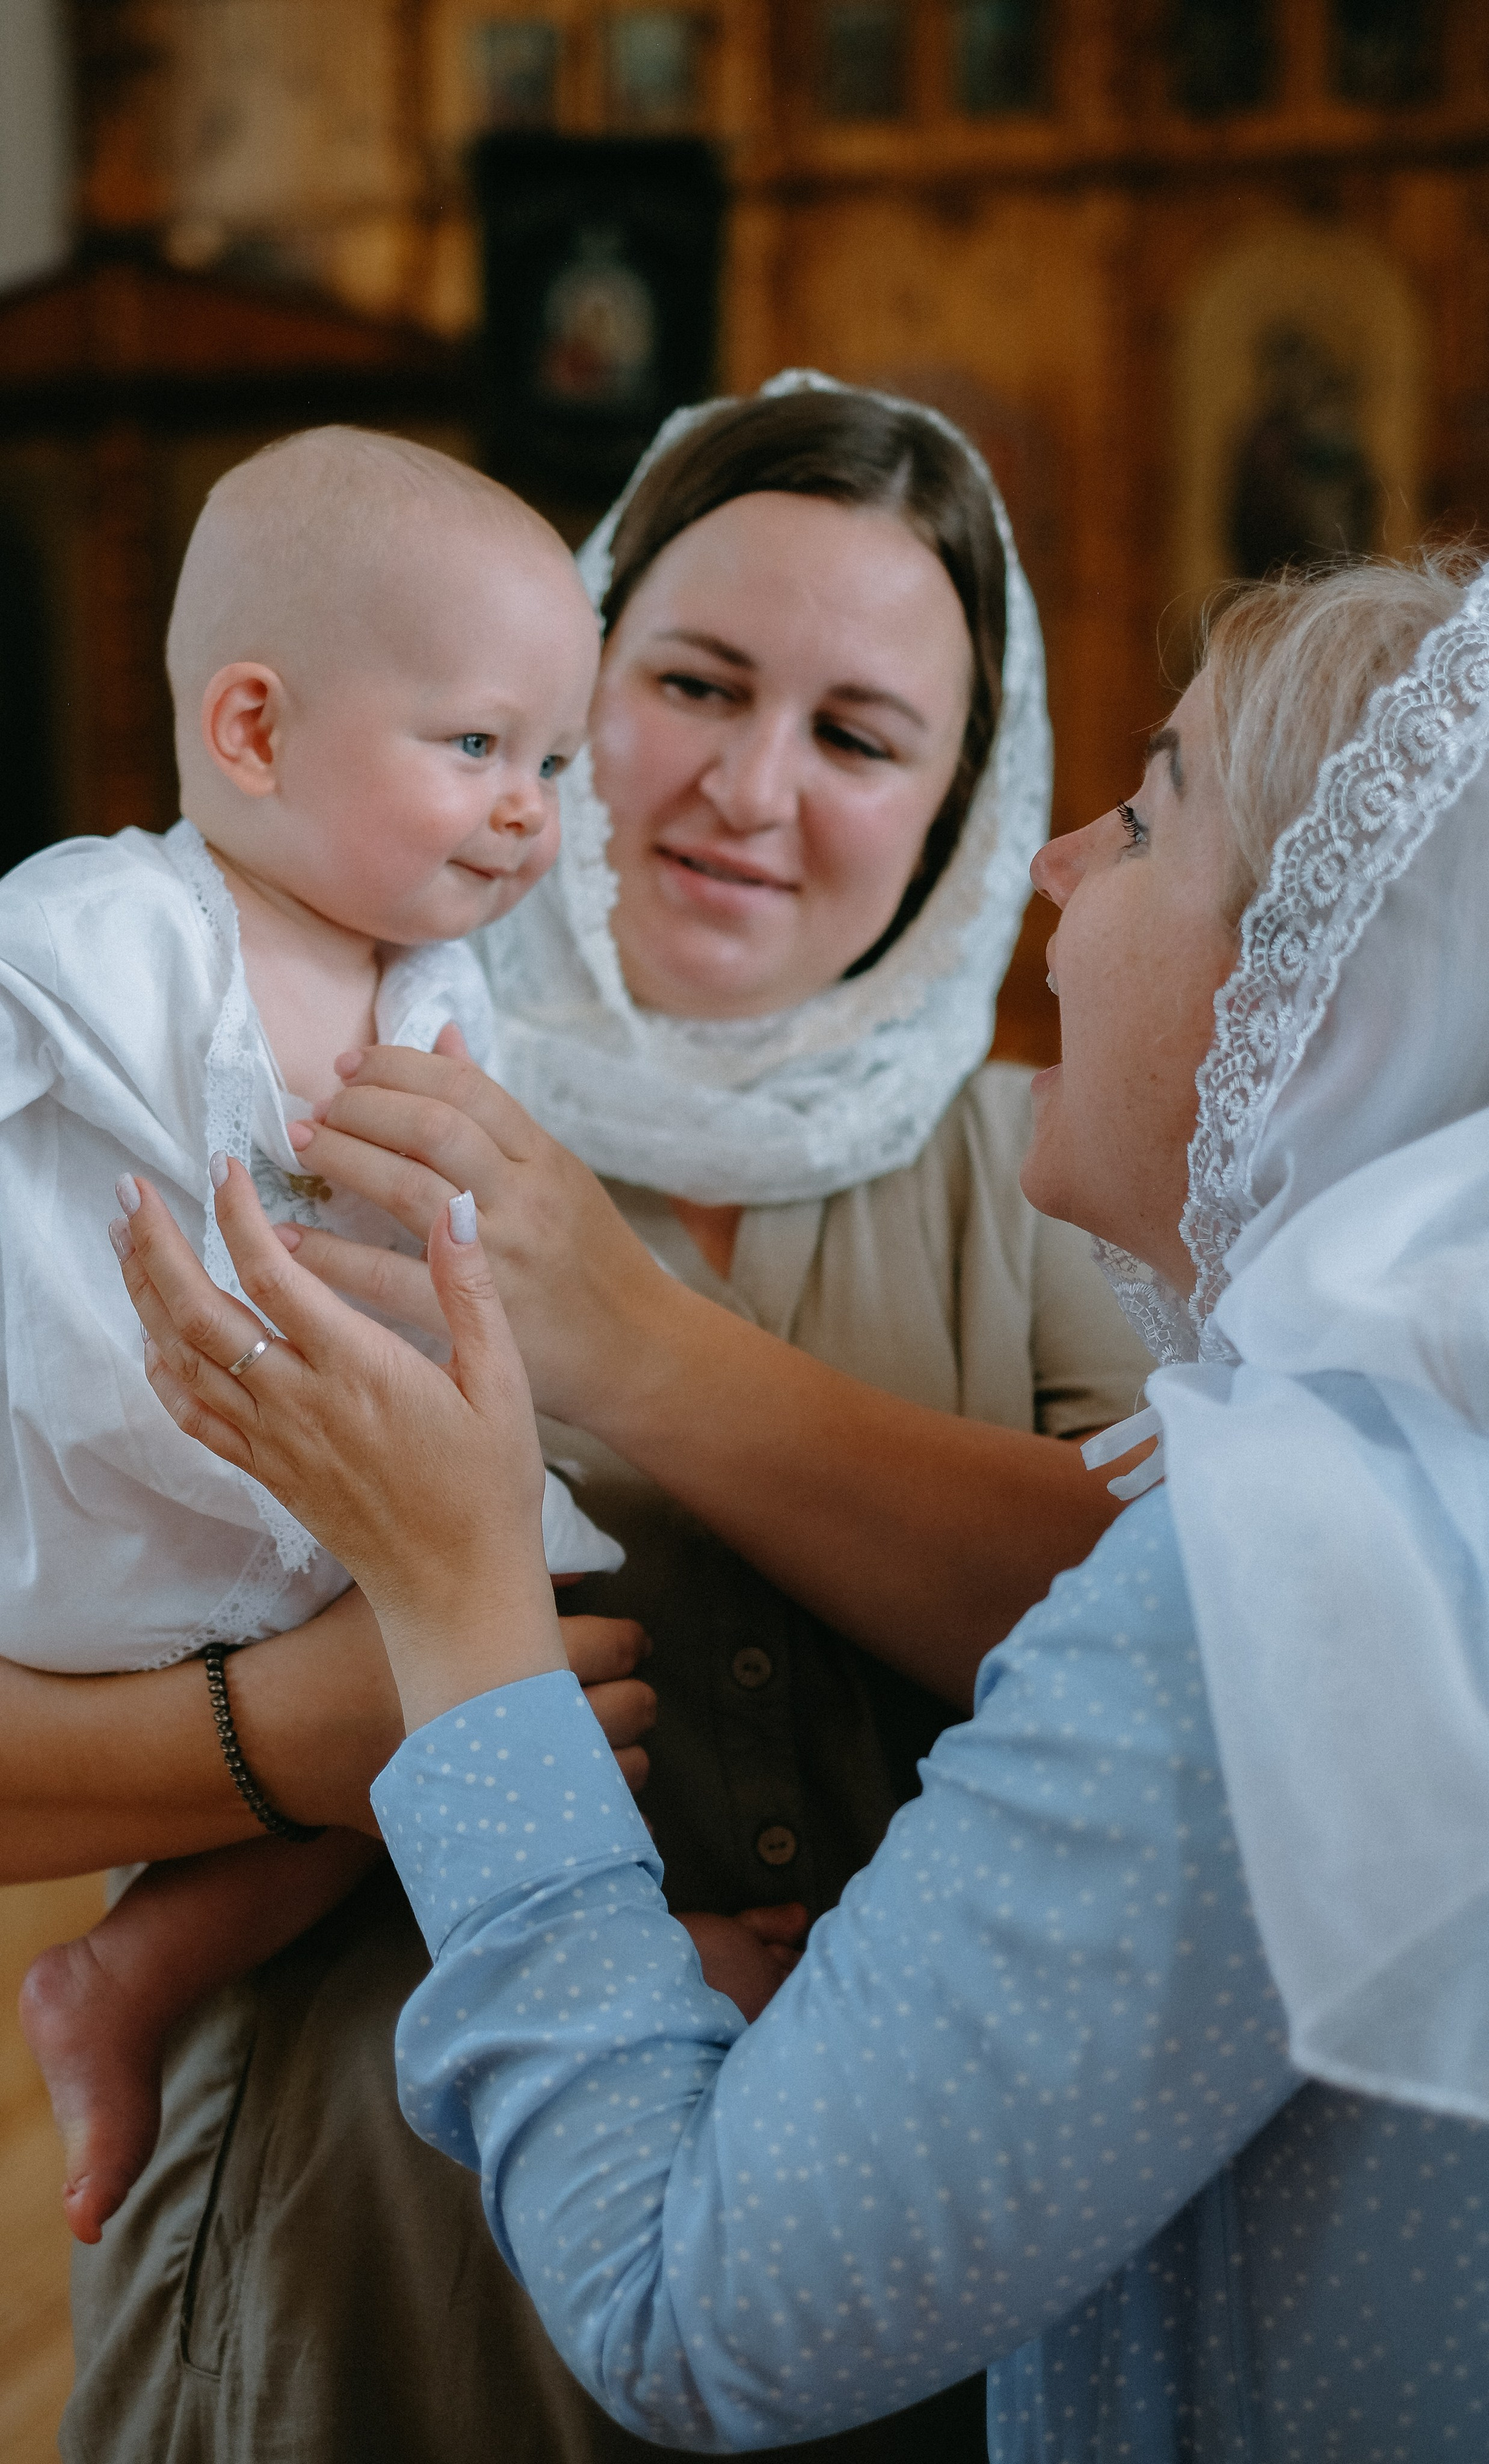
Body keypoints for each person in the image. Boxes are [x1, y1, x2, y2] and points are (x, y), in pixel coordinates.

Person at [0, 379, 1146, 2464]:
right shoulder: (284, 1064)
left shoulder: (1070, 1170)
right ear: (560, 675)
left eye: (860, 734)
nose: (743, 784)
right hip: (329, 2289)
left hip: (876, 2332)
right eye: (690, 685)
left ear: (962, 807)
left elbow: (1177, 1628)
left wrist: (628, 1337)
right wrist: (308, 1733)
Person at [119, 545, 1489, 2460]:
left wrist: (460, 1597)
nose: (1065, 866)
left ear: (1331, 978)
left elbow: (692, 2307)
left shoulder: (1265, 1523)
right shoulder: (273, 1041)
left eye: (1147, 816)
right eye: (687, 685)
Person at [0, 424, 624, 2246]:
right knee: (492, 1670)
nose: (531, 806)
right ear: (256, 735)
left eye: (555, 761)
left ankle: (126, 1976)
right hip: (114, 1536)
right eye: (477, 745)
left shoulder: (437, 980)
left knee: (529, 1642)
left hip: (314, 1537)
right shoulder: (120, 921)